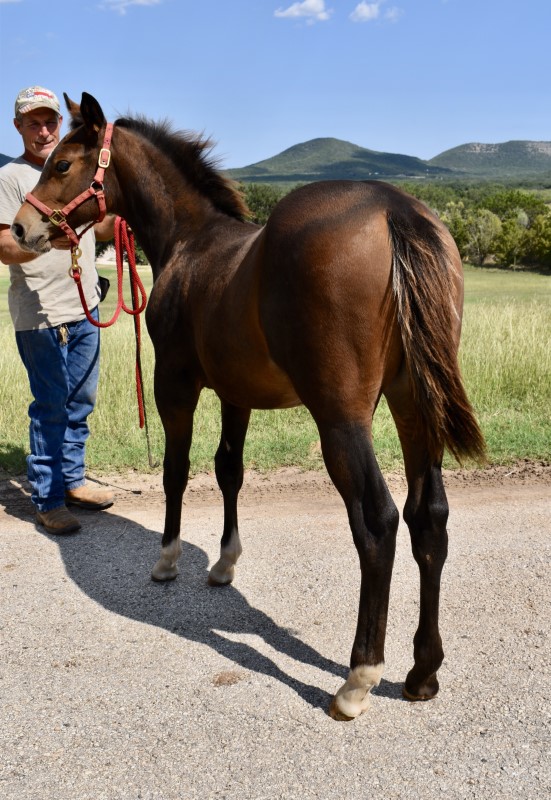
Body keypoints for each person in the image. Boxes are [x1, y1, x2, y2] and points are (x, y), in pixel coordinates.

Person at [0, 86, 115, 535]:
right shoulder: (11, 177)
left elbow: (98, 226)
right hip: (41, 314)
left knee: (79, 403)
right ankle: (47, 498)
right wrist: (48, 239)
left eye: (50, 121)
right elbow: (5, 245)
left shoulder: (73, 169)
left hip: (84, 303)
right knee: (50, 405)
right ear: (19, 127)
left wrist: (124, 212)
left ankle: (73, 481)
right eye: (34, 122)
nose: (44, 130)